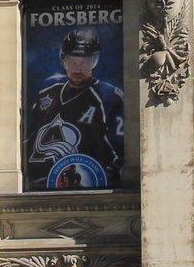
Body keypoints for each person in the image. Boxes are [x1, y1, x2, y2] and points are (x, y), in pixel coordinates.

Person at [25, 28, 124, 189]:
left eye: (85, 61)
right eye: (73, 60)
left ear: (95, 61)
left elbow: (122, 156)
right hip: (39, 187)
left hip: (86, 186)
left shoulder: (109, 97)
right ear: (64, 60)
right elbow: (29, 139)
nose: (78, 67)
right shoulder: (47, 89)